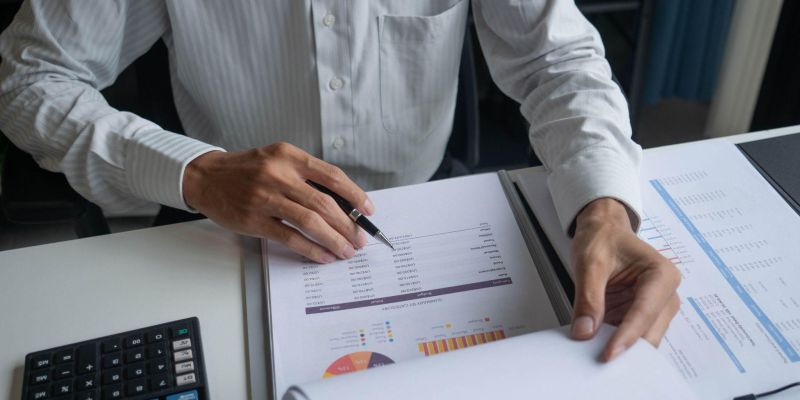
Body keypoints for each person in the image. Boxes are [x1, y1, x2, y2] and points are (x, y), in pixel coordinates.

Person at [0, 0, 679, 361]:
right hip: (220, 235)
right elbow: (29, 80)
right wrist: (198, 171)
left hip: (419, 215)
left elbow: (556, 60)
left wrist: (604, 207)